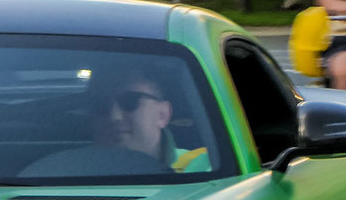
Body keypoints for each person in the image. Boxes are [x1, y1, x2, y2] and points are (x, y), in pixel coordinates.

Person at [21, 70, 209, 178]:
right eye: (100, 104)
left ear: (163, 114)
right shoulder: (62, 174)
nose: (114, 116)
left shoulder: (205, 169)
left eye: (130, 101)